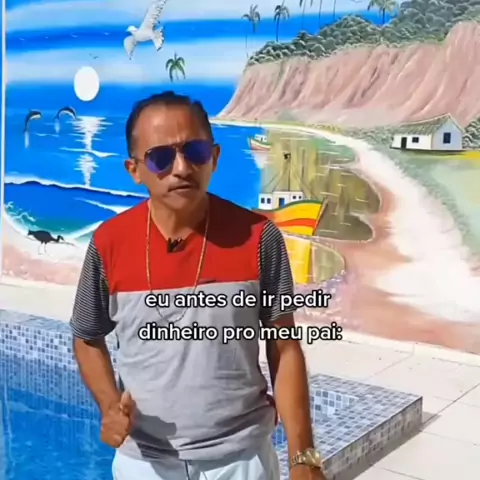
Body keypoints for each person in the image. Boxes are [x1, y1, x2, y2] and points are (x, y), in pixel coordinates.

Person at [70, 91, 326, 480]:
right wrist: (109, 406)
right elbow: (88, 336)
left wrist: (303, 456)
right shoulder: (109, 243)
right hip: (144, 464)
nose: (181, 168)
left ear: (215, 158)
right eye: (160, 157)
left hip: (242, 460)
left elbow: (284, 347)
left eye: (195, 152)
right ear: (134, 169)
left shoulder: (259, 238)